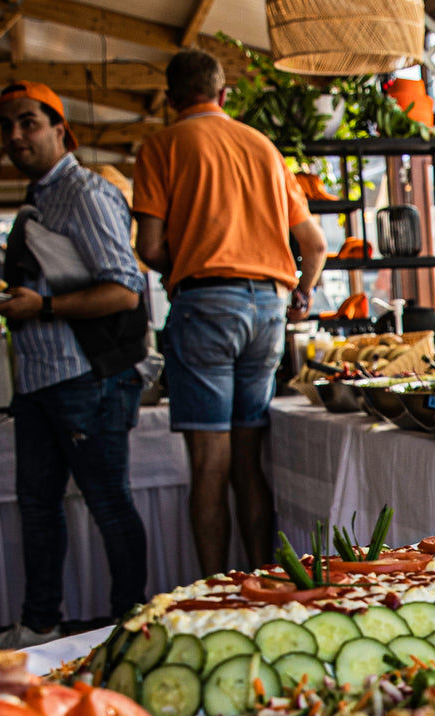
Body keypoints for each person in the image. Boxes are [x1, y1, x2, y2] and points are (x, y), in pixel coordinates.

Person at [133, 46, 328, 577]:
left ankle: (214, 593)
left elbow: (149, 248)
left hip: (206, 304)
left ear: (171, 99)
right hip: (268, 308)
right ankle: (261, 585)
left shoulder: (162, 145)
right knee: (248, 459)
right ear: (224, 95)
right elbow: (314, 246)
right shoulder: (263, 147)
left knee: (209, 464)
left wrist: (185, 261)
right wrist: (303, 294)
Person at [0, 81, 150, 649]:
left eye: (28, 122)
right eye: (7, 126)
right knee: (37, 508)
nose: (15, 135)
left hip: (86, 376)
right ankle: (39, 627)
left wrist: (43, 307)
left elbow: (124, 289)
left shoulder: (85, 193)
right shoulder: (40, 198)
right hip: (37, 378)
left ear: (61, 130)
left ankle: (130, 631)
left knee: (109, 505)